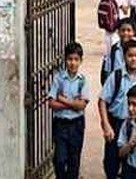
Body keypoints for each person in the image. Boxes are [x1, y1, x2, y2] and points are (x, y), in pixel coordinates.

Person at [98, 39, 136, 179]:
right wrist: (106, 125)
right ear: (124, 56)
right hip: (116, 124)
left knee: (130, 163)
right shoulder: (116, 76)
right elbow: (102, 101)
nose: (133, 59)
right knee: (111, 162)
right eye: (130, 55)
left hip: (133, 126)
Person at [47, 42, 90, 179]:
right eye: (70, 59)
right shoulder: (59, 79)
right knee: (59, 159)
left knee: (74, 159)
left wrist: (62, 100)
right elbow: (51, 103)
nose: (73, 63)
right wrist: (73, 104)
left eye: (76, 59)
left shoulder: (82, 81)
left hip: (76, 124)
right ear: (65, 60)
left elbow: (82, 105)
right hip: (61, 124)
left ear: (81, 61)